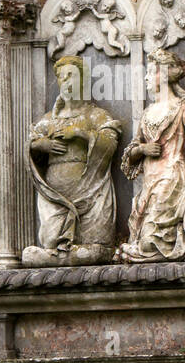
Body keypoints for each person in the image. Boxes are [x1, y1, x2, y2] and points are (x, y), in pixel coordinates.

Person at [116, 48, 185, 262]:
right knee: (144, 236)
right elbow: (132, 152)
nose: (146, 77)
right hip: (150, 183)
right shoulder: (147, 112)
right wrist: (142, 150)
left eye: (150, 72)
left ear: (163, 75)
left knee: (151, 242)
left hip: (174, 182)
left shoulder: (184, 106)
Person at [23, 55, 122, 265]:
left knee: (96, 245)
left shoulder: (95, 115)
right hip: (54, 199)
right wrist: (42, 145)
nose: (67, 81)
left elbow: (110, 143)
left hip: (91, 193)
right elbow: (30, 145)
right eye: (62, 76)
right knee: (48, 241)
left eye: (72, 76)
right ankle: (59, 254)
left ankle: (64, 256)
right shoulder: (48, 120)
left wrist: (81, 134)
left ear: (83, 81)